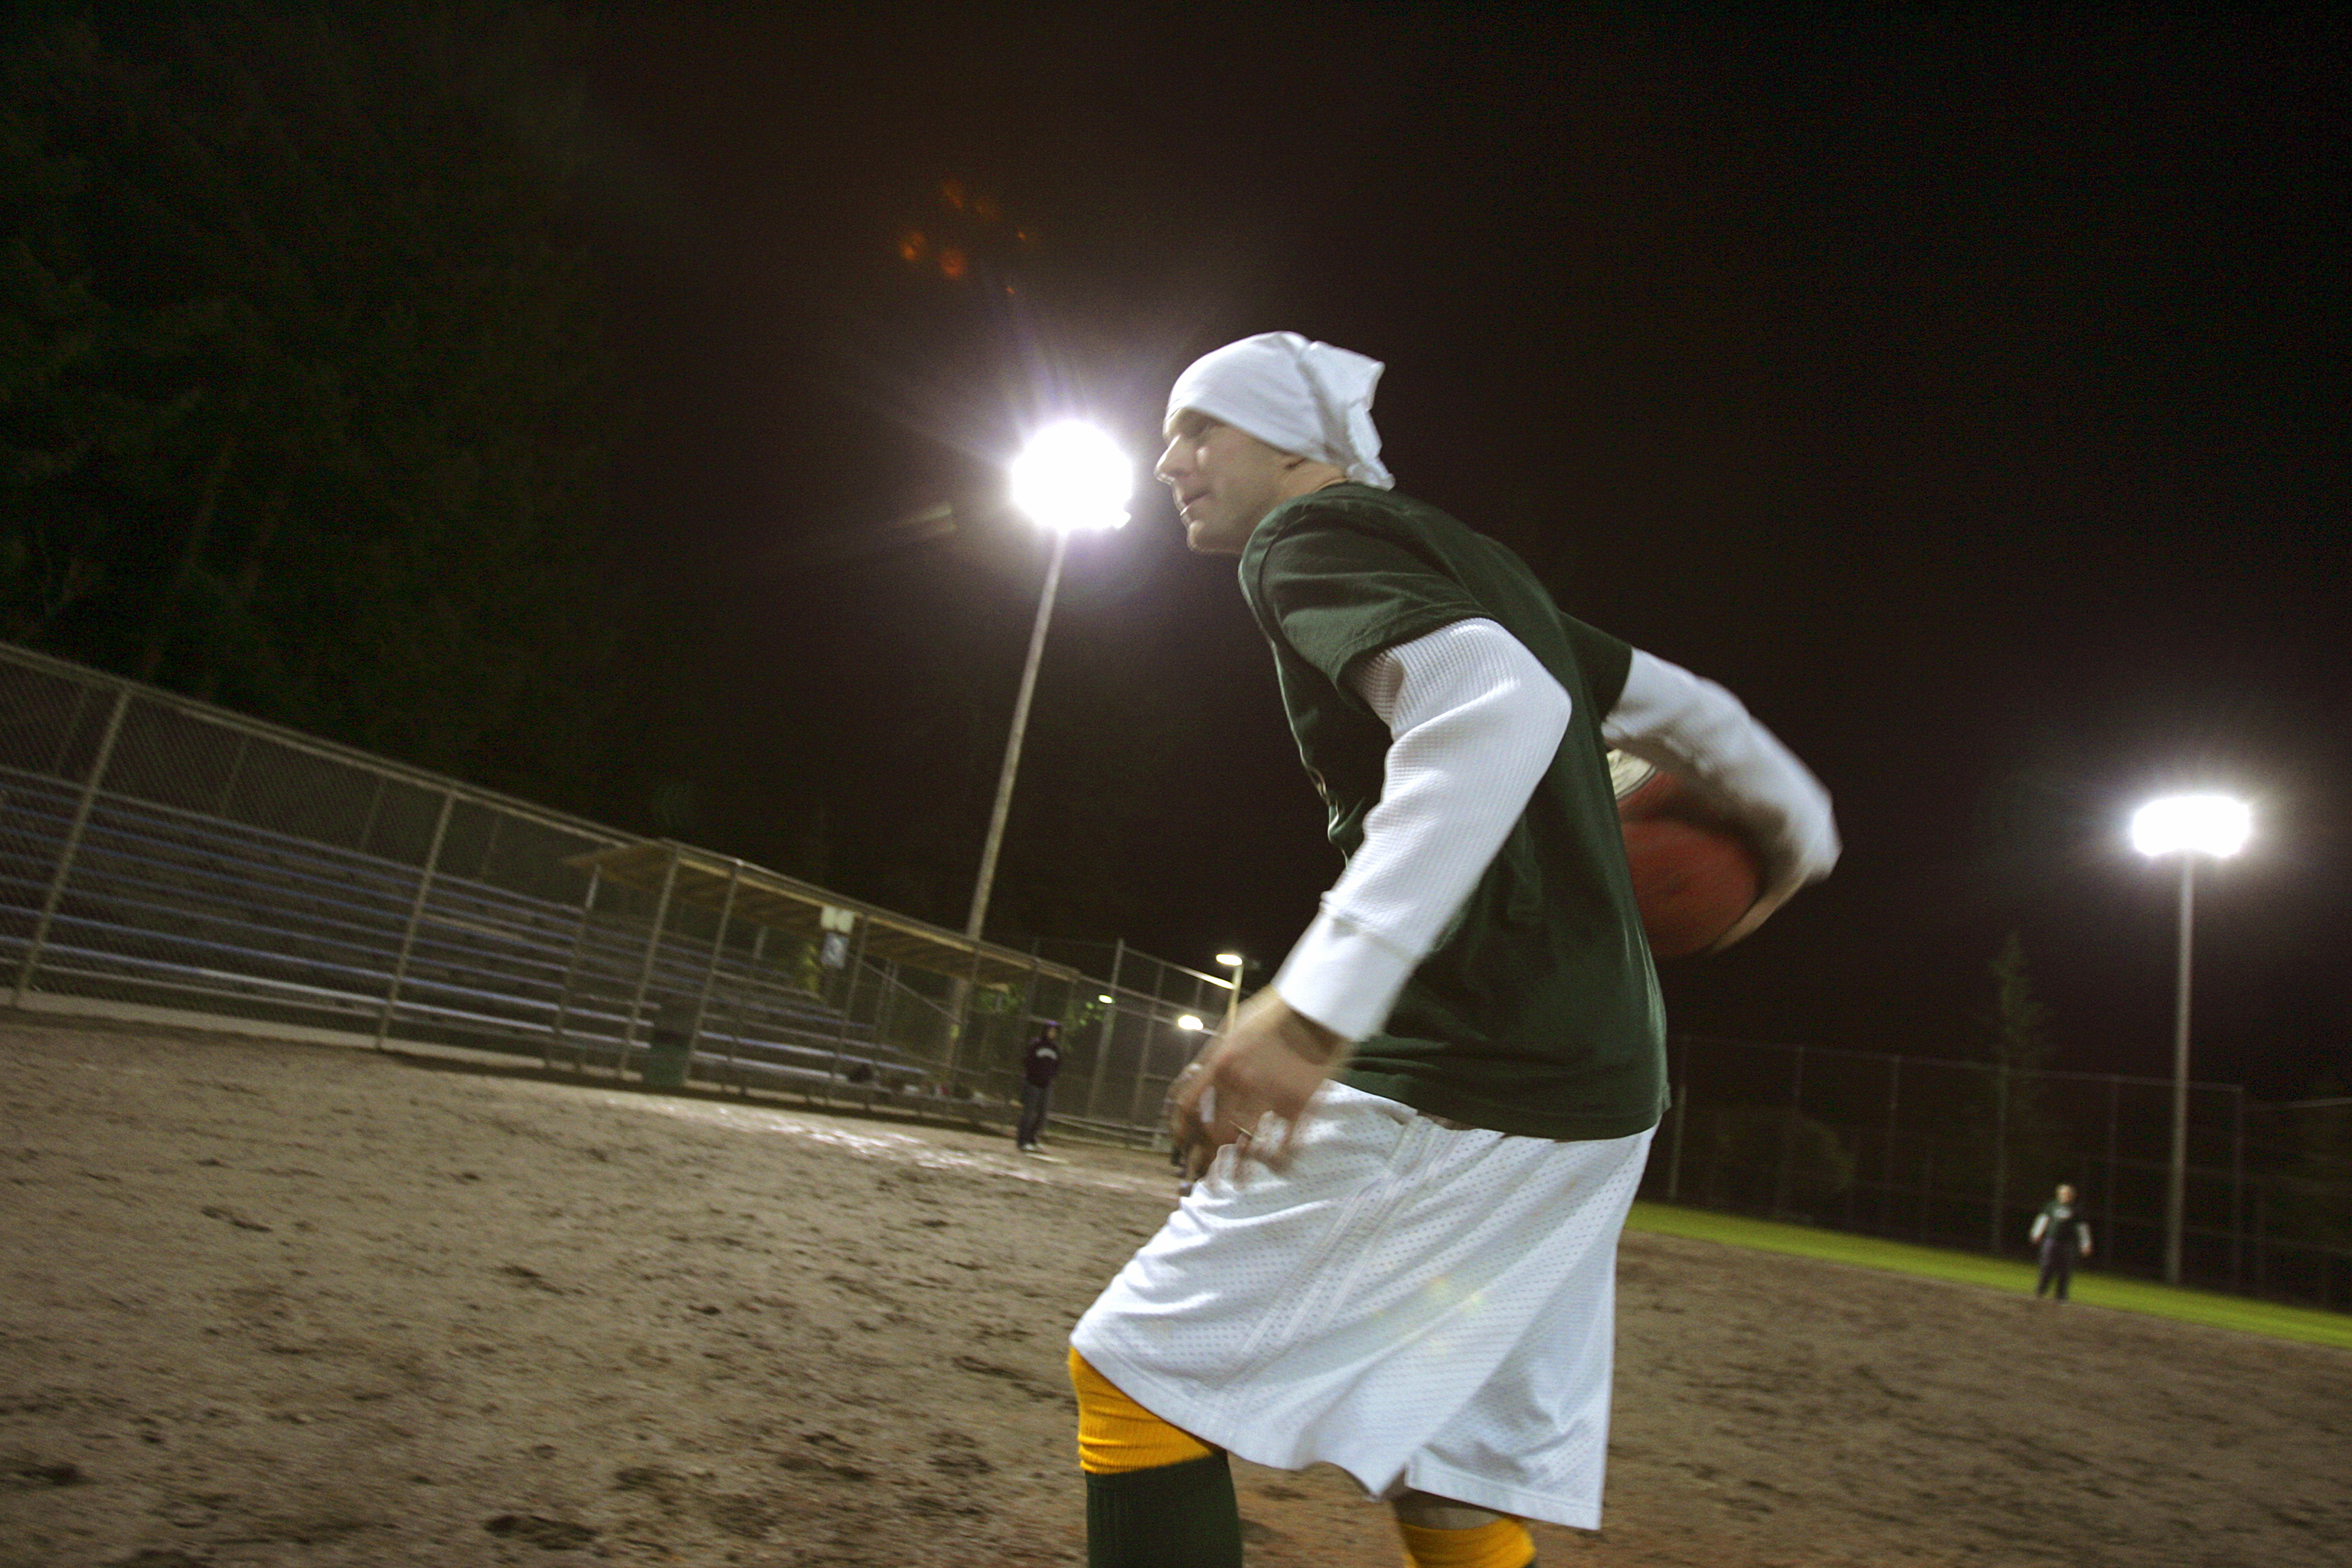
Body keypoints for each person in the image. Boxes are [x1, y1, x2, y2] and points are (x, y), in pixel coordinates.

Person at [1065, 332, 1840, 1568]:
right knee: (1452, 1470)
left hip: (1473, 1058)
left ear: (1289, 446)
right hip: (1596, 1076)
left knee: (1136, 1378)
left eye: (1198, 427)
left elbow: (1501, 707)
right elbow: (1696, 715)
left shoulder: (1298, 541)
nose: (1170, 460)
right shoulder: (1471, 559)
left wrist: (1315, 1006)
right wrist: (1795, 846)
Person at [2030, 1183, 2094, 1301]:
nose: (2066, 1195)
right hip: (2051, 1241)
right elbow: (2043, 1219)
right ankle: (2040, 1292)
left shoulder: (2076, 1209)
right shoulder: (2052, 1205)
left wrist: (2086, 1244)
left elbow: (2082, 1228)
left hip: (2068, 1244)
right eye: (2064, 1193)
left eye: (2068, 1193)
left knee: (2065, 1270)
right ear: (2059, 1194)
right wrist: (2037, 1233)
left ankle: (2061, 1296)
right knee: (2046, 1267)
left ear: (2073, 1195)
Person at [1015, 1020, 1063, 1153]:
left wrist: (1050, 1078)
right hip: (1032, 1083)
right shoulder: (1035, 1045)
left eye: (1054, 1032)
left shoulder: (1056, 1049)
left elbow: (1057, 1067)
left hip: (1046, 1085)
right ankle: (1022, 1141)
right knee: (1028, 1114)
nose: (1052, 1034)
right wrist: (1033, 1077)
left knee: (1042, 1114)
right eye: (1050, 1030)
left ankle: (1032, 1139)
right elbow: (1027, 1062)